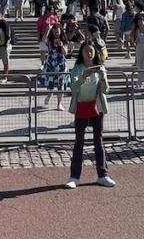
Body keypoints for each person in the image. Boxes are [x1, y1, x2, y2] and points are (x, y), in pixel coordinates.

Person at [64, 41, 115, 189]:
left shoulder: (101, 68)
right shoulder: (77, 68)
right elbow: (73, 89)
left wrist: (103, 76)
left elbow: (105, 90)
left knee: (98, 141)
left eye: (91, 51)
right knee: (79, 142)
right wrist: (83, 77)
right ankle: (74, 176)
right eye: (86, 51)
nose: (89, 53)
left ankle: (103, 175)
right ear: (81, 53)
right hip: (81, 106)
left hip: (96, 106)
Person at [39, 24, 69, 109]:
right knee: (50, 83)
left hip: (61, 64)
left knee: (61, 84)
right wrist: (47, 30)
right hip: (51, 64)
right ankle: (49, 96)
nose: (56, 33)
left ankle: (59, 103)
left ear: (60, 31)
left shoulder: (63, 40)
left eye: (58, 31)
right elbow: (43, 40)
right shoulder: (49, 40)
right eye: (54, 31)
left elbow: (65, 53)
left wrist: (62, 45)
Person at [130, 17, 144, 88]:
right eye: (138, 21)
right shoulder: (137, 30)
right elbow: (134, 40)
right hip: (139, 47)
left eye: (141, 21)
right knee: (140, 65)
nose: (140, 23)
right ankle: (139, 82)